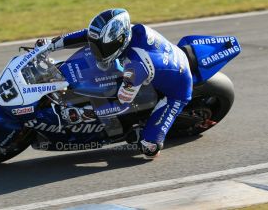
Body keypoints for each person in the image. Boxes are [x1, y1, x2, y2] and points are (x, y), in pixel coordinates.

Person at [35, 8, 193, 158]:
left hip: (176, 89)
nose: (97, 52)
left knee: (148, 148)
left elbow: (123, 104)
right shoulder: (125, 31)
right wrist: (52, 44)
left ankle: (151, 134)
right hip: (155, 67)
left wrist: (86, 113)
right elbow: (89, 35)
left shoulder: (136, 66)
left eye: (102, 49)